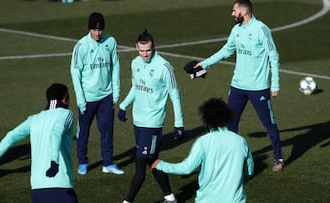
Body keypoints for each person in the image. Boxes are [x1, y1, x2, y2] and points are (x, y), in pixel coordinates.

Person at [194, 0, 284, 171]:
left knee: (269, 124)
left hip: (258, 88)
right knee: (229, 124)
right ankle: (232, 159)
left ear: (244, 11)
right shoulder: (237, 30)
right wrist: (205, 64)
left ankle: (278, 158)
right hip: (237, 87)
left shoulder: (261, 30)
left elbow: (274, 56)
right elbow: (226, 50)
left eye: (234, 10)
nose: (232, 14)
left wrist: (275, 84)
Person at [0, 83, 78, 203]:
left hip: (37, 190)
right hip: (62, 187)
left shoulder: (33, 119)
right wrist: (54, 162)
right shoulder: (67, 114)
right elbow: (55, 133)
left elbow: (10, 137)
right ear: (65, 99)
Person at [117, 29, 185, 203]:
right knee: (152, 161)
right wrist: (124, 105)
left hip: (153, 124)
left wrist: (179, 124)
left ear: (153, 47)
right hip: (138, 122)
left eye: (148, 50)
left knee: (140, 168)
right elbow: (136, 86)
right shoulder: (135, 63)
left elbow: (174, 95)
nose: (145, 54)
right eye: (141, 50)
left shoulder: (164, 67)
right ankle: (170, 197)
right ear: (136, 48)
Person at [152, 98, 254, 203]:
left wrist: (161, 165)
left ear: (207, 121)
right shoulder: (241, 141)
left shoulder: (203, 142)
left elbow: (186, 168)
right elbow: (249, 171)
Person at [70, 12, 123, 175]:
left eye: (100, 30)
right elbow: (75, 72)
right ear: (89, 29)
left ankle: (108, 163)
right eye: (94, 30)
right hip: (87, 98)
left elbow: (115, 66)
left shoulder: (111, 42)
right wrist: (80, 99)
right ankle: (83, 162)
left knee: (107, 131)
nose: (97, 33)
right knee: (83, 132)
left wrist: (116, 91)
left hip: (106, 97)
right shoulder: (81, 46)